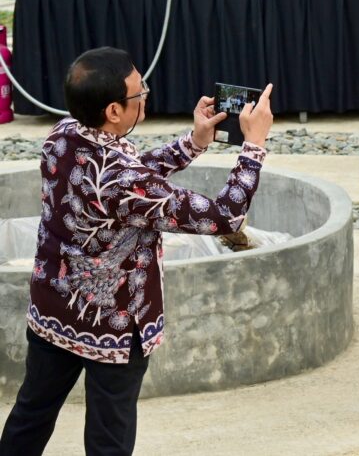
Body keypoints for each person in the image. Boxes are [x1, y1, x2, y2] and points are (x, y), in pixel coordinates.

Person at [0, 47, 274, 455]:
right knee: (109, 439)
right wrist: (253, 146)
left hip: (53, 307)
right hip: (112, 324)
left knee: (32, 413)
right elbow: (224, 217)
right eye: (138, 90)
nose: (145, 93)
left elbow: (131, 179)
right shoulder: (122, 180)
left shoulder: (63, 133)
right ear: (113, 111)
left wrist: (194, 142)